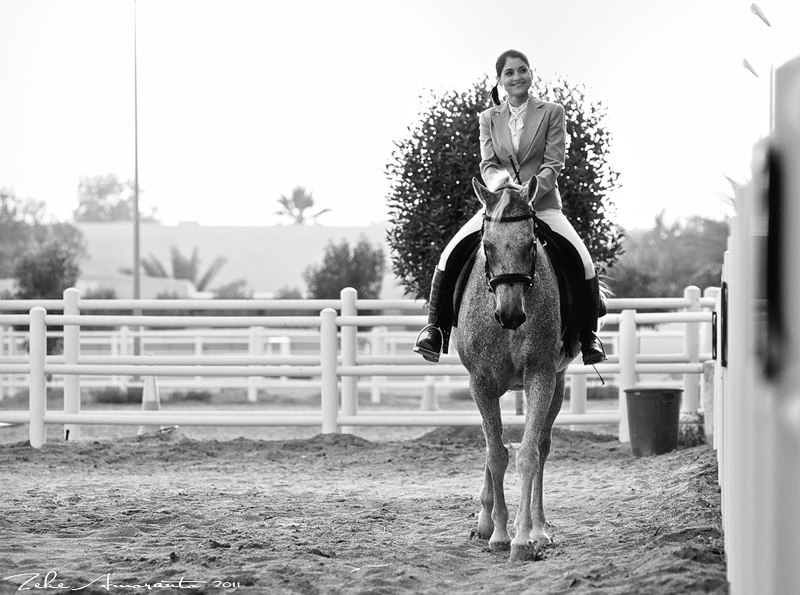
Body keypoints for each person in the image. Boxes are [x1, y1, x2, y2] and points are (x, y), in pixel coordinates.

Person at [414, 49, 607, 365]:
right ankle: (435, 331)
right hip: (500, 206)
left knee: (583, 261)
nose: (517, 77)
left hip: (541, 204)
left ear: (531, 73)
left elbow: (553, 162)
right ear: (500, 80)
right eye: (509, 73)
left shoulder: (552, 112)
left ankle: (587, 337)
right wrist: (502, 188)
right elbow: (488, 163)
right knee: (449, 254)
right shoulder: (488, 118)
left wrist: (528, 192)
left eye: (522, 70)